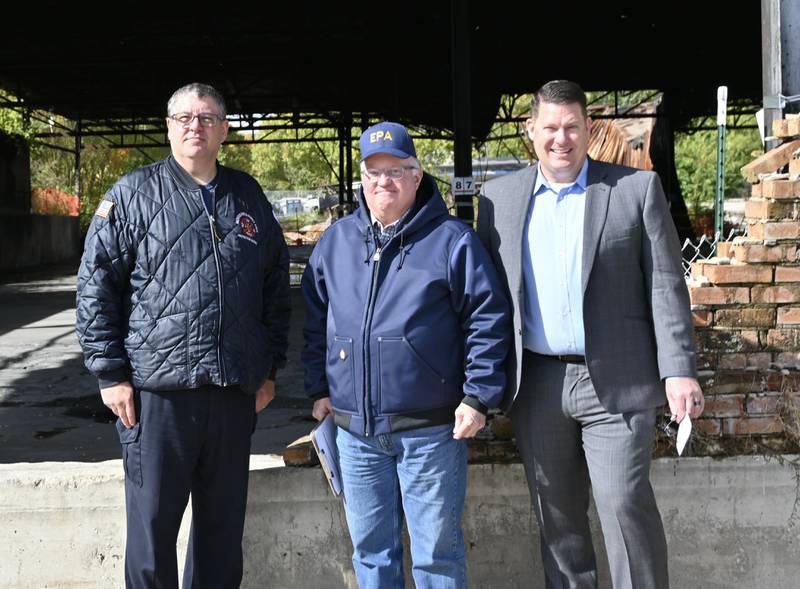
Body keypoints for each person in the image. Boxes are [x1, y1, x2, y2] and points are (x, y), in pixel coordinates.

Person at [476, 80, 705, 589]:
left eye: (573, 127)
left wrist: (679, 371)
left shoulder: (633, 190)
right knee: (557, 521)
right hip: (536, 383)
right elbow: (486, 300)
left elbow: (666, 285)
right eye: (551, 128)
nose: (562, 139)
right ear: (531, 130)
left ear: (588, 129)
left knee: (624, 504)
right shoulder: (498, 200)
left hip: (618, 379)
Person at [76, 82, 290, 588]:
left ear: (224, 132)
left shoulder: (248, 196)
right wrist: (109, 374)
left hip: (232, 394)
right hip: (156, 399)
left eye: (208, 118)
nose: (196, 126)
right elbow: (94, 288)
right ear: (169, 126)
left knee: (220, 537)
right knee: (152, 535)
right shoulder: (132, 196)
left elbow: (275, 286)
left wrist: (268, 369)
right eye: (185, 118)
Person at [302, 121, 511, 588]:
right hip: (356, 435)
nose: (384, 182)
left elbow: (487, 319)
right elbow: (316, 322)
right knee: (372, 555)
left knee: (436, 557)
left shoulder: (453, 241)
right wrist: (319, 388)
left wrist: (478, 396)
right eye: (374, 172)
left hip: (431, 433)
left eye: (396, 170)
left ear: (417, 177)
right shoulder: (335, 243)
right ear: (361, 178)